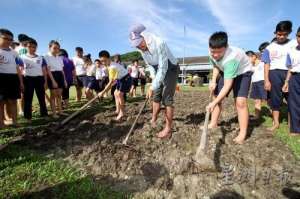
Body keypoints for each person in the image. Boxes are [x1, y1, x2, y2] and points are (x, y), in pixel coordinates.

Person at [129, 24, 179, 139]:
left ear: (143, 37)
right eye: (136, 45)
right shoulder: (142, 49)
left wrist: (152, 86)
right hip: (158, 69)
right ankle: (154, 118)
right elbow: (150, 66)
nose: (139, 47)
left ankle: (168, 128)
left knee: (167, 97)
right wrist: (153, 81)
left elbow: (163, 67)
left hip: (170, 68)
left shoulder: (159, 43)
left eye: (139, 43)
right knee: (156, 95)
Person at [206, 31, 252, 144]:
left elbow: (227, 86)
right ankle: (213, 123)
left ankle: (243, 133)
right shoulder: (211, 52)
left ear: (226, 47)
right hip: (225, 71)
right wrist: (213, 81)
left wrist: (213, 103)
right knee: (216, 95)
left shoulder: (231, 58)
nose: (215, 55)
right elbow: (216, 65)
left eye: (219, 52)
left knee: (240, 102)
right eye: (213, 52)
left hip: (243, 73)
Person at [262, 20, 296, 132]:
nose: (281, 37)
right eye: (279, 34)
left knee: (292, 99)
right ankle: (276, 122)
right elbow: (266, 64)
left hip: (291, 73)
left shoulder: (295, 44)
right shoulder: (269, 48)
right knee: (275, 99)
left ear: (289, 33)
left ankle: (293, 124)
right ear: (275, 33)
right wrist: (266, 80)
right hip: (274, 74)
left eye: (284, 34)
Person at [98, 50, 132, 121]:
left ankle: (122, 112)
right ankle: (117, 110)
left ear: (109, 58)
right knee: (115, 93)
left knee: (119, 94)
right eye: (102, 61)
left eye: (104, 60)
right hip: (120, 79)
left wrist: (103, 92)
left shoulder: (112, 67)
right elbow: (113, 79)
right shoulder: (109, 65)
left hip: (126, 79)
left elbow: (110, 83)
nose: (103, 63)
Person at [0, 28, 24, 128]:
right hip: (1, 78)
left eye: (10, 39)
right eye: (6, 38)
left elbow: (18, 67)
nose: (9, 41)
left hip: (13, 78)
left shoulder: (14, 53)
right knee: (1, 102)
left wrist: (21, 82)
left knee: (13, 101)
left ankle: (15, 121)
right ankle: (1, 123)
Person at [21, 38, 48, 122]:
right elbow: (20, 70)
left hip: (39, 79)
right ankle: (28, 117)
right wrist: (21, 82)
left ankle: (44, 114)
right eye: (30, 46)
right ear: (26, 47)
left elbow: (44, 70)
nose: (32, 48)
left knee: (41, 98)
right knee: (28, 99)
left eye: (34, 47)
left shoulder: (41, 58)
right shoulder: (22, 57)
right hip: (27, 79)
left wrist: (45, 81)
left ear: (36, 47)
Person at [282, 26, 300, 136]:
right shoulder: (291, 51)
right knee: (294, 103)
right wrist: (286, 82)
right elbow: (290, 68)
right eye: (299, 36)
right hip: (295, 77)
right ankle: (295, 129)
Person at [44, 40, 67, 118]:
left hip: (60, 75)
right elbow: (48, 70)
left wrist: (64, 80)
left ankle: (60, 111)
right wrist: (53, 81)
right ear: (49, 47)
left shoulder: (59, 57)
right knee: (53, 95)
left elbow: (62, 70)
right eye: (54, 48)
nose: (56, 50)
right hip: (52, 75)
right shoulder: (46, 56)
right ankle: (54, 113)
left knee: (59, 95)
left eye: (58, 48)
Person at [247, 43, 269, 120]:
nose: (247, 61)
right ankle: (257, 116)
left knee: (268, 100)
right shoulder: (250, 66)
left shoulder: (262, 62)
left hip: (263, 82)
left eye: (248, 59)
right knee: (256, 100)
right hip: (255, 84)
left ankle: (273, 116)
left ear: (254, 56)